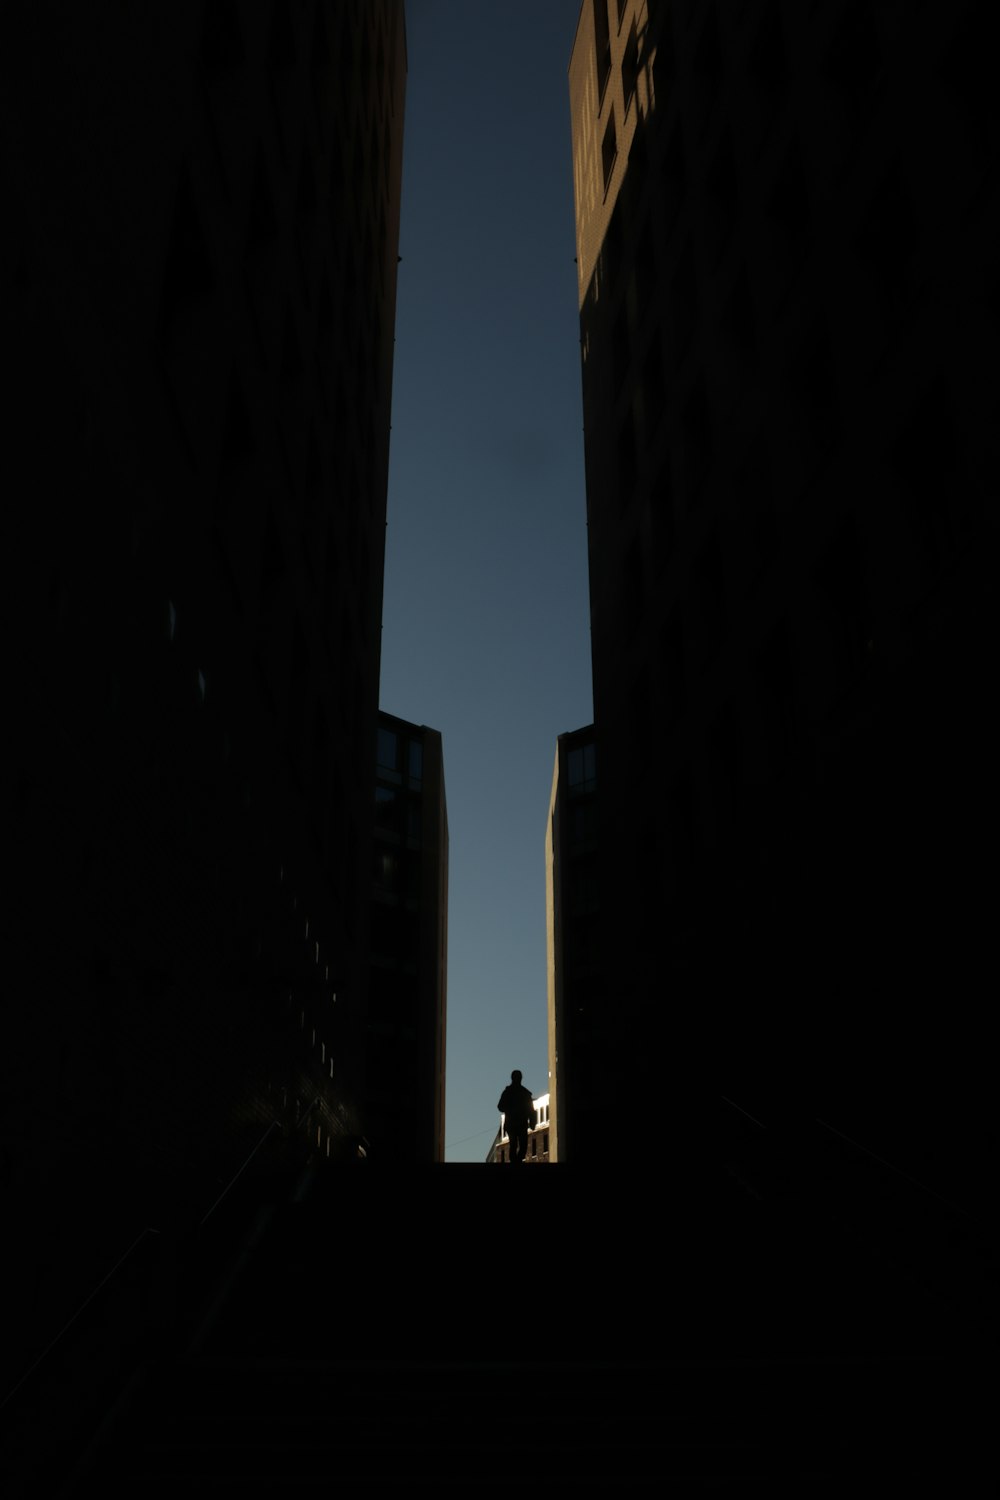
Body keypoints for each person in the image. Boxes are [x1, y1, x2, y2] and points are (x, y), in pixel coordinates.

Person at [497, 1070, 536, 1165]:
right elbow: (500, 1106)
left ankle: (516, 1160)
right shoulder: (515, 1092)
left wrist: (532, 1121)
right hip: (515, 1124)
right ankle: (516, 1160)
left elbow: (531, 1110)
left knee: (520, 1146)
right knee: (515, 1145)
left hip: (517, 1124)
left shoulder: (522, 1093)